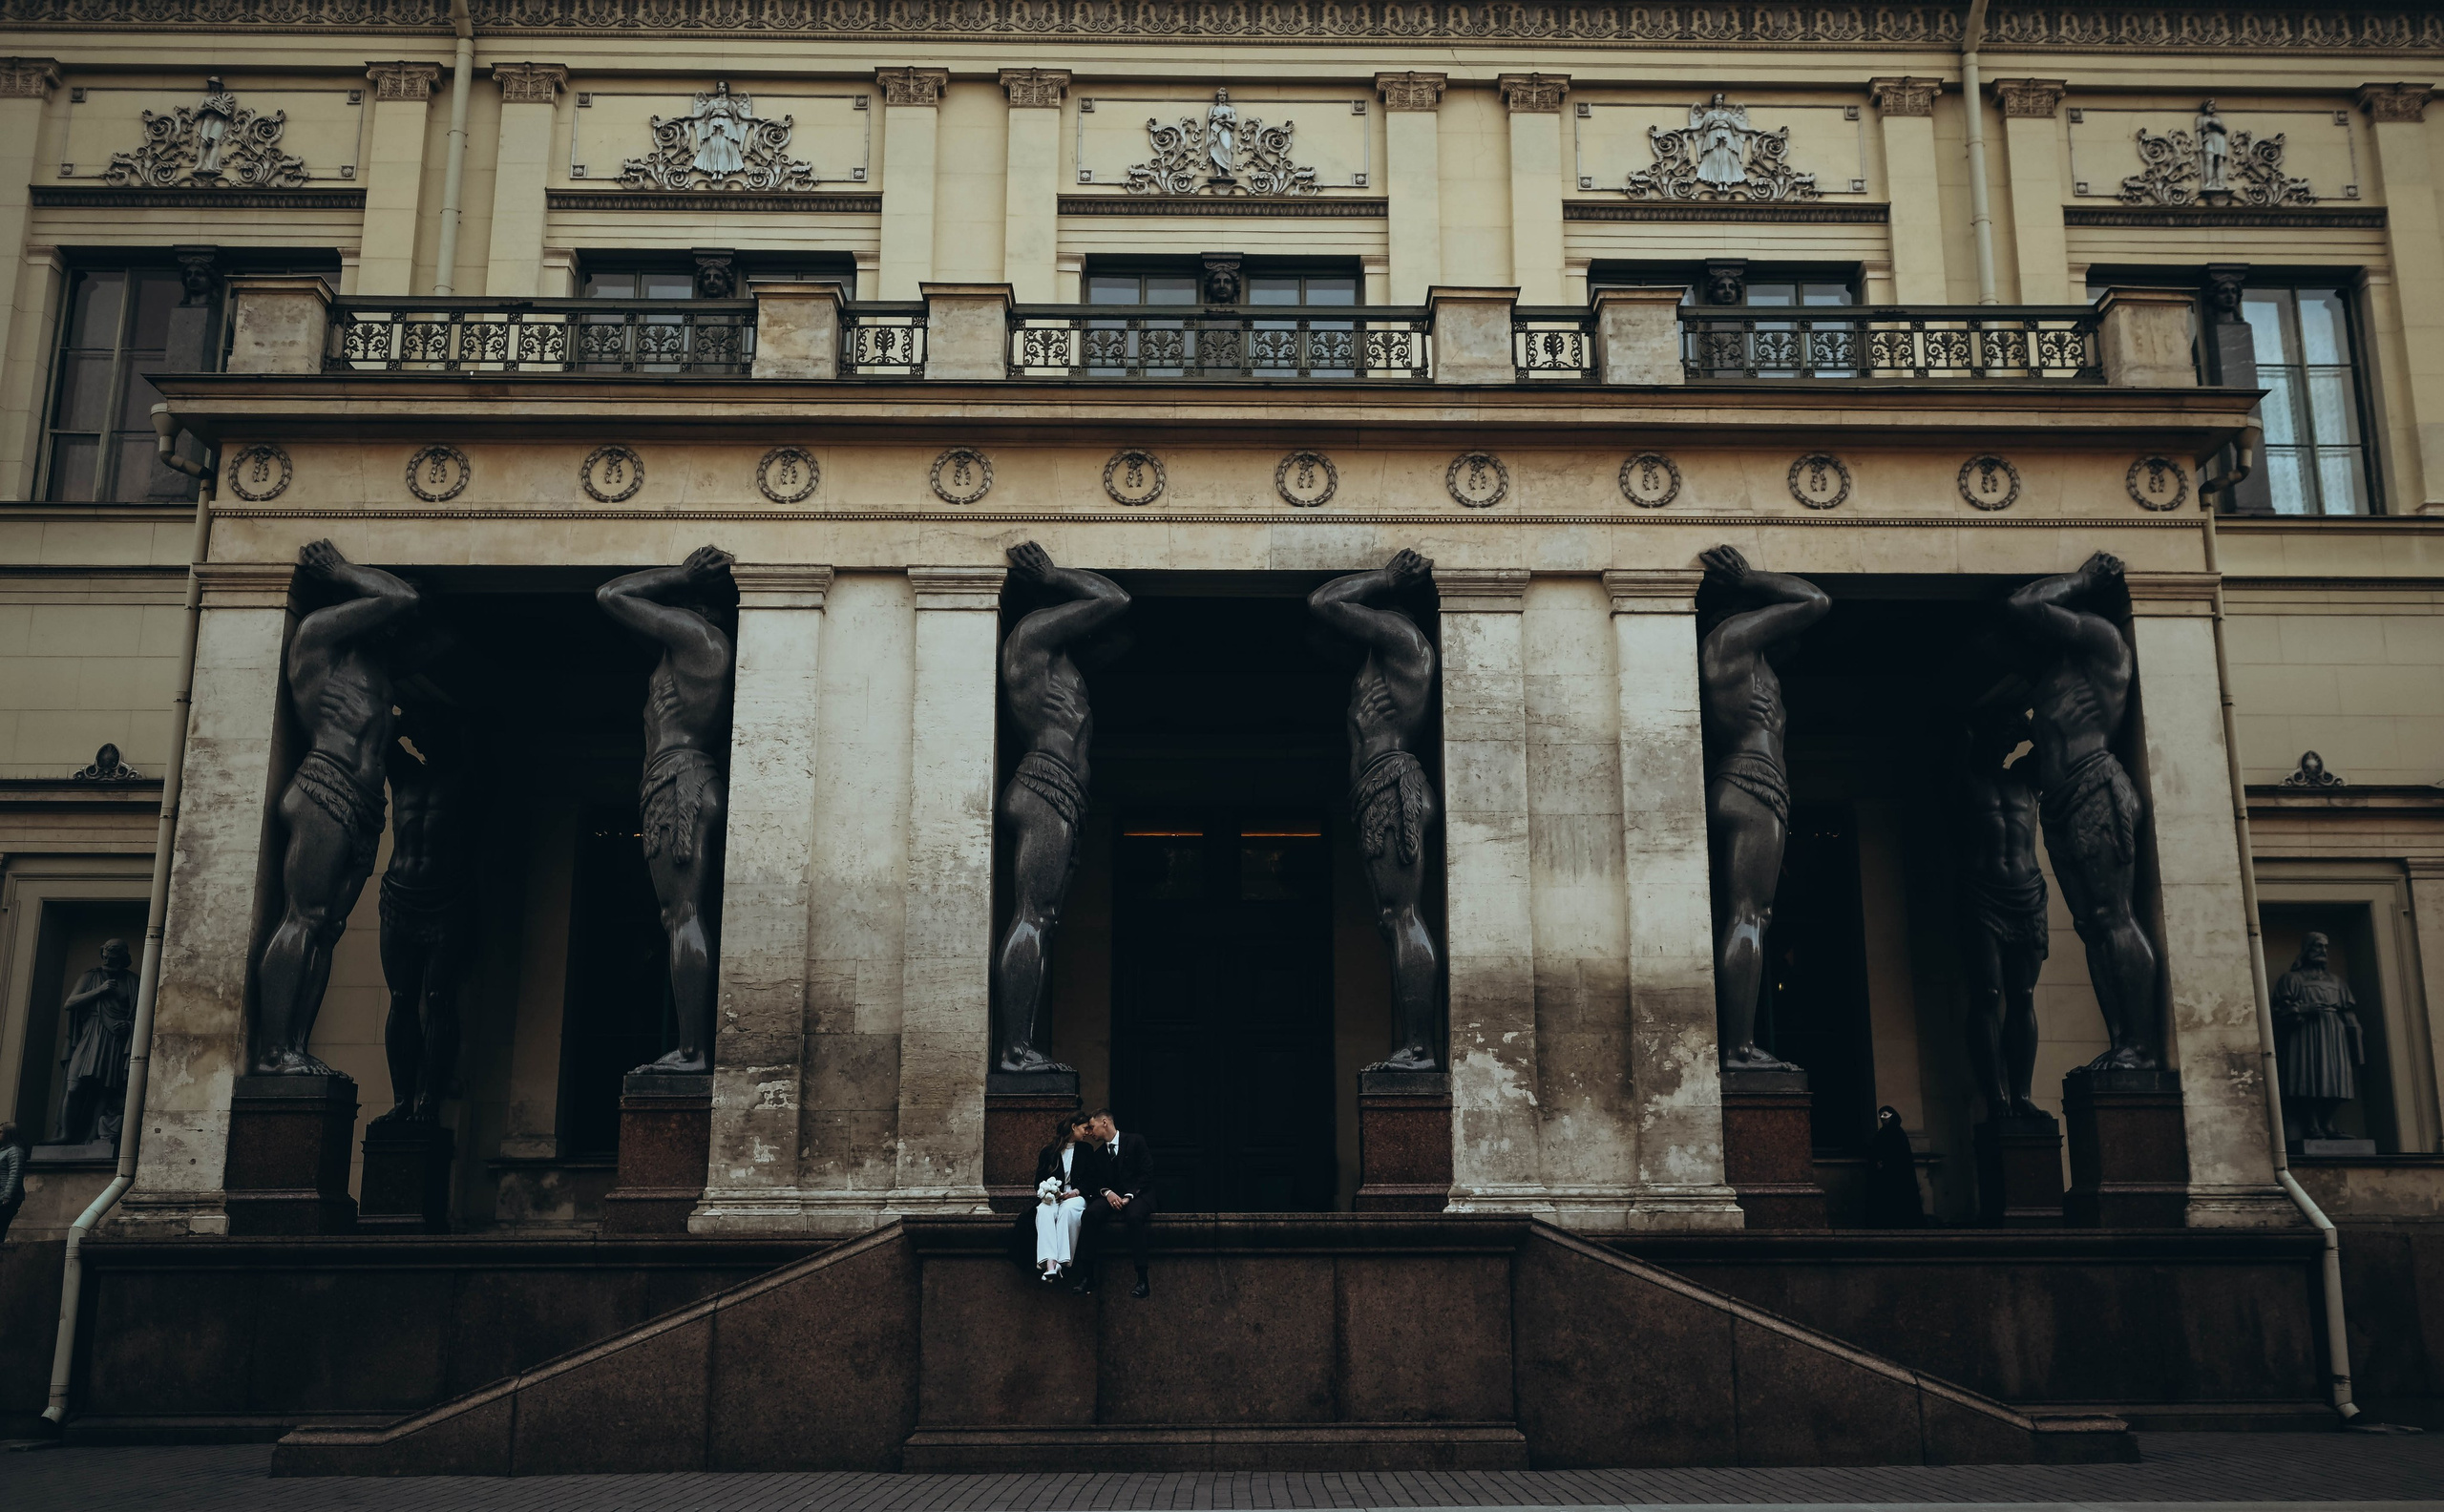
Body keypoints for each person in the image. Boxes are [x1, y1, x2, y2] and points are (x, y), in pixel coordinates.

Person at [256, 540, 421, 1076]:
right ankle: (274, 1051)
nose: (395, 628)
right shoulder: (318, 640)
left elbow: (431, 632)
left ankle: (296, 1048)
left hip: (365, 803)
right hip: (326, 787)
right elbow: (400, 597)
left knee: (327, 927)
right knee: (303, 916)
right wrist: (345, 570)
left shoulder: (378, 671)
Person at [2004, 552, 2162, 1071]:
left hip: (2095, 786)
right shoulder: (2052, 674)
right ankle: (2121, 1042)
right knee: (2091, 924)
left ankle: (2141, 1046)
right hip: (2062, 802)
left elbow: (2024, 602)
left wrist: (2082, 578)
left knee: (2114, 916)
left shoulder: (2102, 642)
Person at [598, 545, 737, 1075]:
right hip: (685, 779)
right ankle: (692, 1047)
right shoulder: (685, 653)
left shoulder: (698, 638)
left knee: (682, 914)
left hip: (679, 781)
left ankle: (693, 1052)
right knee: (681, 914)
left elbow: (611, 594)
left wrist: (678, 574)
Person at [992, 542, 1129, 1075]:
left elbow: (1120, 637)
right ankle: (1015, 1051)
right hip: (1045, 785)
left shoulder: (1059, 662)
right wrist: (1054, 576)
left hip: (1060, 790)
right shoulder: (1030, 637)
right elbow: (1112, 599)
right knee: (1034, 914)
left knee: (1041, 918)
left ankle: (1019, 1046)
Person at [1696, 544, 1830, 1071]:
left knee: (1746, 914)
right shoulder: (1730, 639)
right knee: (1751, 913)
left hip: (1741, 780)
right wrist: (1750, 578)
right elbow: (1813, 601)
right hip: (1754, 784)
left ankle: (1737, 1043)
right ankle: (1738, 1048)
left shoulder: (1742, 661)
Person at [1309, 549, 1442, 1071]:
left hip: (1391, 782)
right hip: (1376, 786)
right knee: (1393, 919)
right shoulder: (1377, 663)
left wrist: (1385, 578)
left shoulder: (1404, 640)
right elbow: (1320, 636)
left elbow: (1325, 602)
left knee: (1401, 914)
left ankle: (1419, 1049)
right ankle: (1416, 1045)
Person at [372, 698, 476, 1124]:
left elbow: (482, 733)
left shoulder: (467, 778)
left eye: (433, 732)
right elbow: (378, 730)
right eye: (420, 734)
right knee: (401, 999)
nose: (425, 741)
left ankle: (430, 1100)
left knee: (438, 999)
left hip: (447, 900)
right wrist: (406, 720)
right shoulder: (405, 775)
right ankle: (402, 1101)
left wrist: (445, 719)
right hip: (399, 897)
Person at [1957, 706, 2049, 1120]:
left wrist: (2027, 722)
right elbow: (1953, 730)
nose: (2003, 745)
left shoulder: (2026, 779)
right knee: (1989, 994)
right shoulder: (1963, 780)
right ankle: (1995, 1095)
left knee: (2023, 995)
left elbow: (2056, 741)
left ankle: (2022, 1096)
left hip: (2028, 895)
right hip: (1982, 894)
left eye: (2009, 739)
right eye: (1996, 736)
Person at [2273, 932, 2366, 1142]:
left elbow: (2348, 1012)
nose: (2323, 951)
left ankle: (2328, 1124)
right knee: (2309, 1078)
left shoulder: (2337, 982)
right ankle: (2312, 1125)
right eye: (2317, 946)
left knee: (2336, 1079)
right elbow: (2280, 1011)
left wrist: (2355, 1039)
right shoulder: (2292, 979)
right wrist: (2304, 1009)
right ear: (2306, 950)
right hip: (2305, 1037)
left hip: (2334, 1036)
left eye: (2325, 947)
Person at [56, 938, 137, 1145]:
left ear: (123, 959)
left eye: (113, 958)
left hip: (114, 1038)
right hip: (89, 1035)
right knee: (73, 1087)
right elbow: (70, 1003)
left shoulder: (132, 982)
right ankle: (66, 1134)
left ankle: (92, 1137)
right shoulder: (91, 976)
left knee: (105, 1091)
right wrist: (100, 990)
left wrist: (129, 1026)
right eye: (105, 957)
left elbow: (141, 1015)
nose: (107, 961)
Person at [1074, 1108, 1156, 1298]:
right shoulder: (1098, 1153)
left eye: (1092, 1127)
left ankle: (1142, 1279)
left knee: (1134, 1217)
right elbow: (1095, 1182)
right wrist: (1108, 1193)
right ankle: (1088, 1276)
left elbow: (1147, 1173)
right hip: (1111, 1197)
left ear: (1105, 1122)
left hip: (1139, 1194)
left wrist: (1129, 1195)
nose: (1089, 1132)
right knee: (1090, 1215)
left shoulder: (1135, 1141)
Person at [1021, 1111, 1094, 1283]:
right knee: (1044, 1210)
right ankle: (1050, 1263)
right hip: (1054, 1196)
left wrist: (1076, 1192)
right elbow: (1039, 1181)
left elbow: (1092, 1179)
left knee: (1068, 1210)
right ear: (1074, 1127)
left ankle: (1062, 1261)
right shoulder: (1049, 1151)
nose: (1087, 1132)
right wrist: (1050, 1192)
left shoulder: (1086, 1150)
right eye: (1085, 1128)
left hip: (1077, 1195)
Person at [1865, 1105, 1926, 1228]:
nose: (1882, 1118)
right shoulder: (1881, 1134)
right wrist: (1877, 1162)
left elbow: (1901, 1156)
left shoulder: (1898, 1134)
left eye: (1885, 1115)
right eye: (1881, 1116)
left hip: (1897, 1176)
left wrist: (1886, 1162)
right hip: (1883, 1176)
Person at [0, 1122, 24, 1244]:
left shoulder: (15, 1151)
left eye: (1, 1132)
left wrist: (7, 1195)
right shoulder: (3, 1151)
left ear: (9, 1134)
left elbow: (15, 1174)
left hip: (6, 1199)